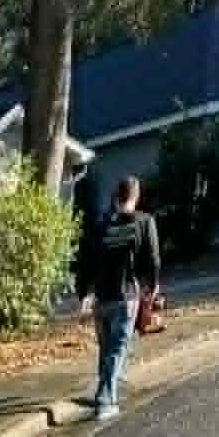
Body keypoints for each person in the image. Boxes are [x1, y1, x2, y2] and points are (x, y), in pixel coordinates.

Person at [75, 177, 161, 422]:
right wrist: (153, 286)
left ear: (116, 195)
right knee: (117, 348)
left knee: (107, 348)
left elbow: (85, 260)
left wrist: (84, 294)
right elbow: (153, 259)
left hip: (101, 298)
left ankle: (107, 387)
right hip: (126, 297)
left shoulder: (101, 224)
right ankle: (106, 401)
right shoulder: (144, 222)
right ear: (136, 196)